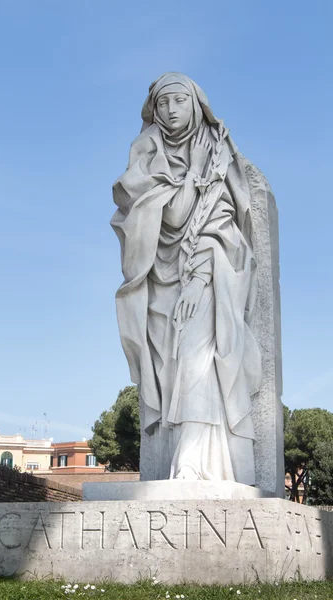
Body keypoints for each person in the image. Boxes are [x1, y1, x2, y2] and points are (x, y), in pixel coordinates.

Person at [111, 73, 262, 484]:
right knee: (170, 370)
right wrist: (178, 185)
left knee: (199, 362)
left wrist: (198, 278)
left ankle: (197, 462)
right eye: (162, 103)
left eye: (179, 100)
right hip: (156, 281)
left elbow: (225, 222)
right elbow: (149, 214)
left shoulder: (215, 152)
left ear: (195, 104)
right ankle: (183, 458)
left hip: (207, 275)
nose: (171, 110)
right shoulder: (145, 153)